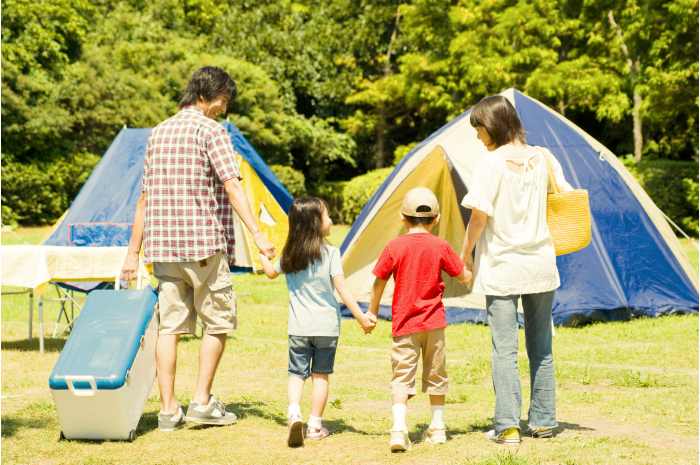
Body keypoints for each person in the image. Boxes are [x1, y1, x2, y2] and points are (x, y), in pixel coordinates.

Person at [121, 66, 276, 432]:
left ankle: (169, 410)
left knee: (170, 328)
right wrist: (258, 235)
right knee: (218, 321)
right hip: (203, 244)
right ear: (210, 94)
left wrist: (132, 254)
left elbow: (144, 199)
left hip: (163, 248)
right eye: (224, 99)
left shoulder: (157, 133)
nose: (225, 108)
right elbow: (232, 186)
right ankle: (202, 402)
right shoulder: (212, 130)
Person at [460, 95, 573, 444]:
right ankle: (543, 421)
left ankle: (508, 426)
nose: (478, 137)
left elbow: (479, 215)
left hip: (503, 267)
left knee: (504, 350)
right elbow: (566, 196)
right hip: (540, 264)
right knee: (542, 347)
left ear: (492, 126)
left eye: (479, 129)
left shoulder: (491, 165)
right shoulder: (545, 158)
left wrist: (465, 254)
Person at [259, 197, 376, 447]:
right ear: (315, 223)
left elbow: (270, 273)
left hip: (298, 328)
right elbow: (342, 290)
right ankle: (314, 425)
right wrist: (361, 318)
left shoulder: (289, 255)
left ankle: (293, 413)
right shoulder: (331, 253)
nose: (331, 220)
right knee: (320, 376)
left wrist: (263, 258)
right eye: (327, 216)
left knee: (296, 374)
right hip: (326, 328)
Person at [367, 187, 471, 452]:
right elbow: (463, 277)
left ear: (403, 218)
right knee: (436, 373)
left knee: (402, 375)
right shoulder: (441, 246)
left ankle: (399, 429)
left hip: (404, 324)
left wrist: (372, 310)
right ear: (435, 220)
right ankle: (437, 428)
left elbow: (379, 281)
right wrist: (469, 267)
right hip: (434, 322)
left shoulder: (394, 246)